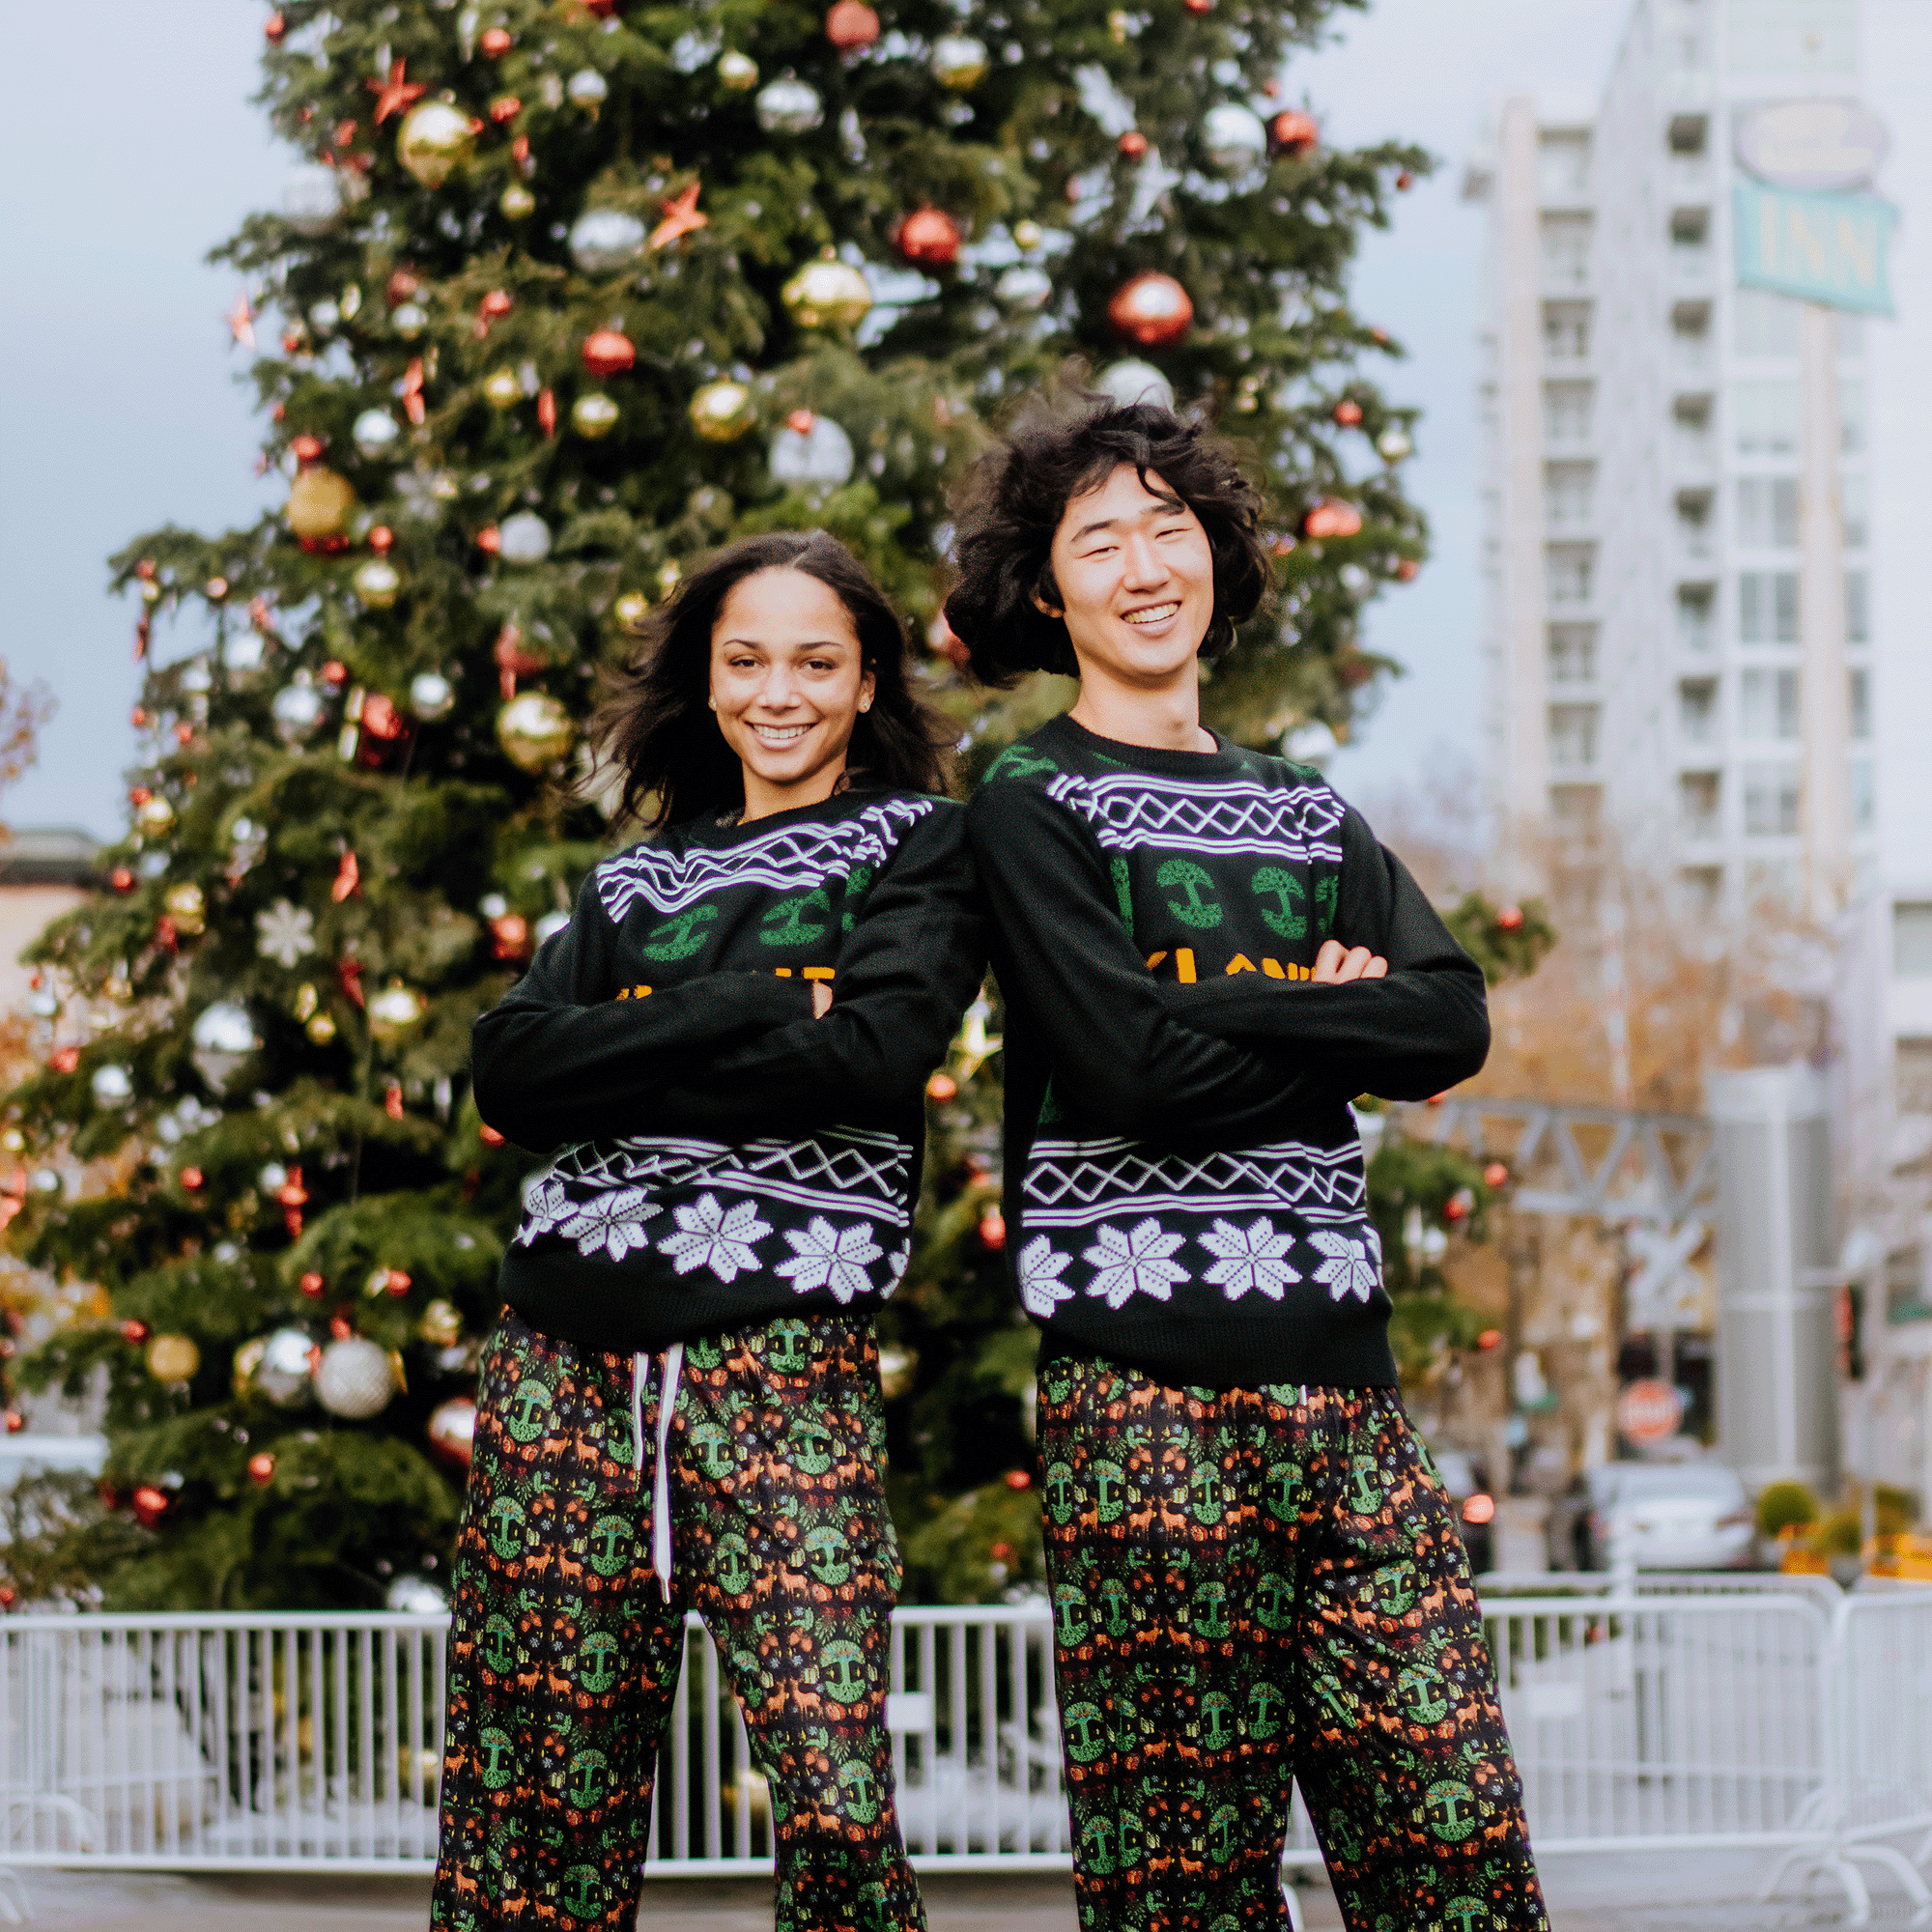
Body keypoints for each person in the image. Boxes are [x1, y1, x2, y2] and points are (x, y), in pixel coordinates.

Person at [947, 399, 1548, 1932]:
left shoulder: (1304, 804)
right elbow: (1127, 1069)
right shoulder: (1027, 799)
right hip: (1140, 1390)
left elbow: (1450, 1017)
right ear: (1044, 592)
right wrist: (1329, 1011)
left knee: (1460, 1856)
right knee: (1181, 1889)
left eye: (1171, 526)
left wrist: (1213, 1003)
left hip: (1349, 1394)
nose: (1147, 565)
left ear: (1216, 554)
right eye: (1102, 541)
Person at [433, 531, 984, 1932]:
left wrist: (619, 1048)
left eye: (815, 661)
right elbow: (510, 1073)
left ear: (868, 683)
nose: (777, 692)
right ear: (709, 677)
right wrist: (754, 1001)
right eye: (746, 660)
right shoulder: (631, 883)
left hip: (780, 1358)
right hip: (561, 1364)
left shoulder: (922, 848)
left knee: (836, 1797)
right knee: (529, 1808)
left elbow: (869, 1059)